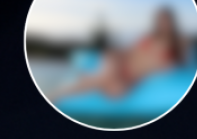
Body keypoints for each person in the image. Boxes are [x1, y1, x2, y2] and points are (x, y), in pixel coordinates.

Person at [49, 7, 187, 101]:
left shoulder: (179, 41)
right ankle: (58, 94)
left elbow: (180, 63)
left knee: (115, 91)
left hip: (132, 76)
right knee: (105, 78)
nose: (163, 23)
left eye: (166, 20)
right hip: (122, 61)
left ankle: (82, 80)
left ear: (172, 21)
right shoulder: (150, 38)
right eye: (161, 20)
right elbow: (132, 51)